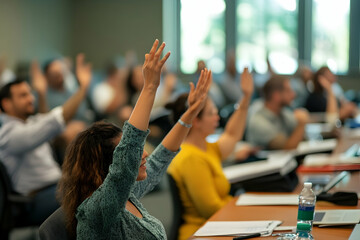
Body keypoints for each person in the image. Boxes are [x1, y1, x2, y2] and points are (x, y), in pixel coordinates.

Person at [57, 39, 212, 240]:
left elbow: (159, 159)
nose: (144, 154)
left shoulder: (126, 195)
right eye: (133, 154)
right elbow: (128, 153)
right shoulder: (97, 209)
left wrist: (190, 114)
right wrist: (149, 88)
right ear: (110, 165)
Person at [0, 54, 92, 224]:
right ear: (6, 104)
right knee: (90, 194)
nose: (31, 99)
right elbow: (55, 121)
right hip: (36, 200)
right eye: (23, 96)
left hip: (56, 188)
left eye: (30, 93)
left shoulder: (29, 122)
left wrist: (41, 94)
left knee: (97, 184)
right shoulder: (9, 135)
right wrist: (83, 87)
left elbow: (44, 122)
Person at [166, 67, 254, 240]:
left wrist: (246, 97)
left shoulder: (207, 148)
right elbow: (211, 209)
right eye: (211, 113)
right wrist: (243, 203)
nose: (217, 117)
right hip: (200, 233)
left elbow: (232, 134)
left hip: (218, 228)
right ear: (195, 121)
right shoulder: (190, 158)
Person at [247, 75, 309, 150]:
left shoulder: (283, 113)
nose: (294, 95)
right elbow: (287, 147)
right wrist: (301, 124)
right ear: (276, 95)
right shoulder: (258, 121)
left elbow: (302, 138)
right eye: (288, 91)